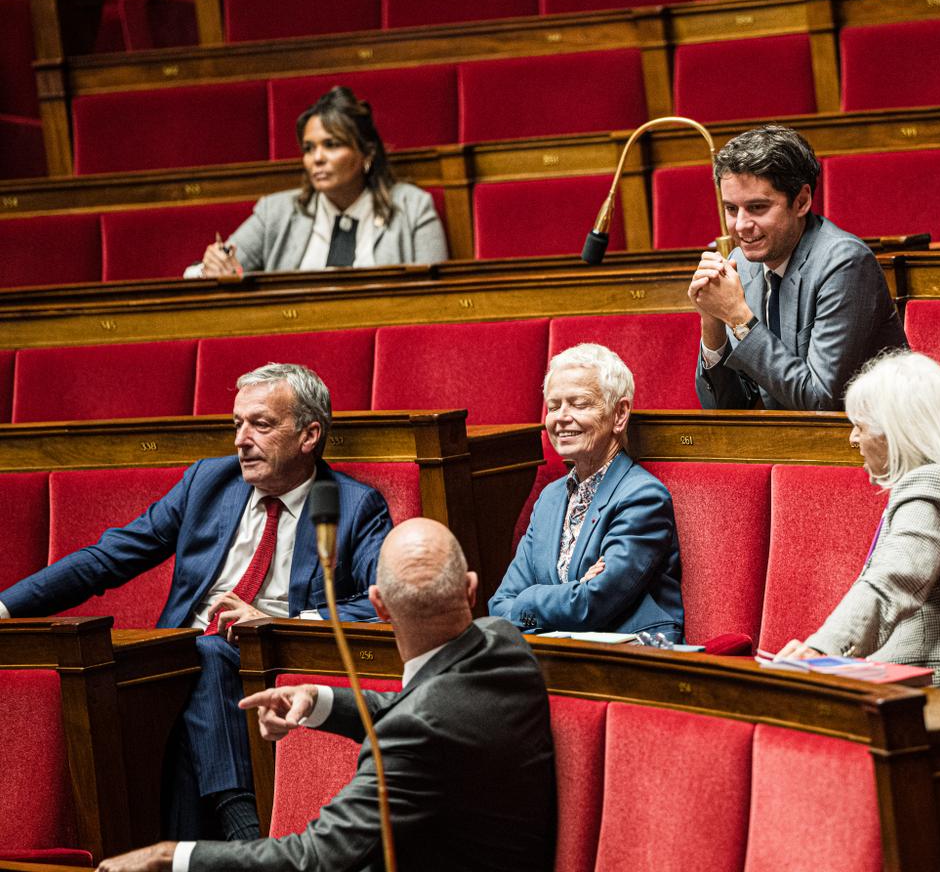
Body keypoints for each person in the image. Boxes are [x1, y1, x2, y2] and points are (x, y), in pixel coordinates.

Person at [0, 363, 392, 841]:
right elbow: (109, 557)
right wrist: (6, 607)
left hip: (266, 664)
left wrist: (278, 621)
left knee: (205, 656)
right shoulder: (208, 483)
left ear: (309, 435)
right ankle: (239, 834)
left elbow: (382, 601)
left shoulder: (354, 505)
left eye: (260, 425)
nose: (240, 440)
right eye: (237, 424)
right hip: (171, 665)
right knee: (170, 666)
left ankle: (231, 829)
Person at [96, 517, 557, 872]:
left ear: (377, 605)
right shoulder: (502, 642)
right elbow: (430, 709)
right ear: (472, 589)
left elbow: (313, 858)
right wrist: (318, 700)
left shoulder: (412, 738)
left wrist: (168, 856)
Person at [774, 351, 940, 691]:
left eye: (860, 427)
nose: (853, 439)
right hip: (905, 680)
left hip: (935, 691)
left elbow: (888, 586)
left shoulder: (934, 484)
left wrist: (820, 651)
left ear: (898, 433)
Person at [689, 124, 906, 411]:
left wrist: (739, 317)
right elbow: (723, 409)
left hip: (867, 443)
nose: (740, 226)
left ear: (802, 201)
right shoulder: (742, 262)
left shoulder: (844, 263)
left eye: (757, 208)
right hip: (790, 446)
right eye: (731, 209)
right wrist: (712, 321)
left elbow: (820, 402)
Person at [488, 343, 684, 640]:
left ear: (619, 414)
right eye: (554, 406)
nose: (561, 417)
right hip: (558, 654)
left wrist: (530, 596)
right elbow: (499, 606)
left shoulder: (642, 496)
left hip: (633, 657)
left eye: (579, 404)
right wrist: (573, 590)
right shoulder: (549, 499)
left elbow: (591, 606)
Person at [185, 86, 449, 278]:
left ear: (366, 153)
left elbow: (436, 294)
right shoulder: (275, 213)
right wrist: (213, 269)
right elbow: (208, 272)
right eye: (309, 149)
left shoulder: (413, 208)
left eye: (331, 145)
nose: (317, 159)